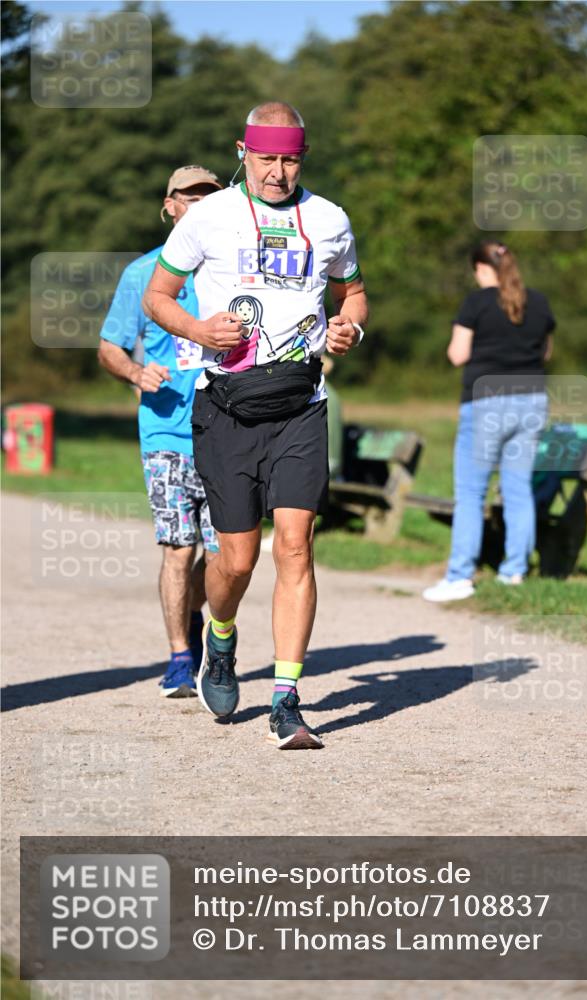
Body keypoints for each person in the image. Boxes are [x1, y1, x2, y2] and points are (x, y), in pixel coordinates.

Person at [142, 102, 368, 749]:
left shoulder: (327, 220)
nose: (277, 172)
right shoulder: (208, 218)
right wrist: (197, 327)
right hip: (227, 407)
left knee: (294, 546)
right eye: (266, 158)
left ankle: (286, 700)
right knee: (234, 561)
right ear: (243, 151)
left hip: (300, 404)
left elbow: (352, 290)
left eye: (290, 159)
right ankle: (219, 636)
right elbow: (156, 297)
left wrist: (350, 324)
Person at [98, 165, 223, 695]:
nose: (197, 205)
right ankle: (178, 657)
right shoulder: (142, 274)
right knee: (179, 547)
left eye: (207, 197)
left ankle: (199, 623)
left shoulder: (232, 271)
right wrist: (134, 371)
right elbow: (109, 347)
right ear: (168, 206)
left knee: (225, 556)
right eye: (187, 197)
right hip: (166, 432)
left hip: (228, 430)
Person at [423, 241, 555, 602]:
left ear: (481, 268)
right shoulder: (538, 301)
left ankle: (460, 577)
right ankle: (514, 572)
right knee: (518, 489)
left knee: (470, 493)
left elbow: (457, 354)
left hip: (487, 403)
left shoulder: (476, 303)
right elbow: (546, 351)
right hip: (532, 402)